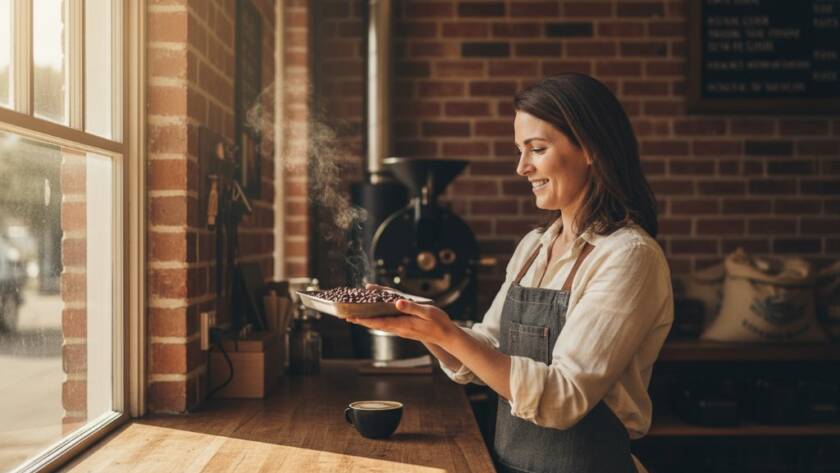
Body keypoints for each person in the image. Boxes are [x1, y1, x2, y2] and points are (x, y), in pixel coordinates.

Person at [348, 74, 673, 473]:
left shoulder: (628, 257)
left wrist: (443, 331)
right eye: (520, 150)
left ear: (590, 148)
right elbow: (486, 347)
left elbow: (563, 397)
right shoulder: (533, 247)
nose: (522, 167)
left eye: (536, 149)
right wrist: (422, 325)